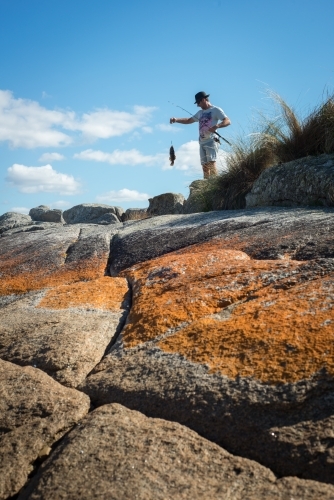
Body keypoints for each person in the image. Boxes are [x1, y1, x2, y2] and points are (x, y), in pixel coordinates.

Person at [170, 91, 231, 179]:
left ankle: (215, 184)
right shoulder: (200, 113)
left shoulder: (215, 110)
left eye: (198, 102)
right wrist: (176, 120)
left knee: (211, 163)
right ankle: (206, 187)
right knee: (205, 167)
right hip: (202, 142)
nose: (197, 105)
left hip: (212, 140)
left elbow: (228, 121)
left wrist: (217, 126)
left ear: (203, 100)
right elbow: (188, 120)